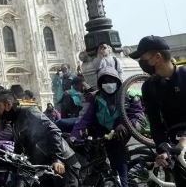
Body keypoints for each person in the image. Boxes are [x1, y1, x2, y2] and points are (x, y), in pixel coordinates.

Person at [0, 91, 80, 187]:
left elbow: (54, 131)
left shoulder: (29, 112)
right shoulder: (14, 124)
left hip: (64, 165)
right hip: (45, 168)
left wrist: (57, 159)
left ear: (8, 104)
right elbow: (17, 156)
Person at [71, 66, 144, 187]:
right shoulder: (94, 97)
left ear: (118, 81)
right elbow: (83, 118)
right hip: (101, 131)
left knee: (118, 161)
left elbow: (138, 116)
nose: (108, 84)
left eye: (111, 80)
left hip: (121, 134)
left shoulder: (129, 95)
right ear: (100, 84)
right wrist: (74, 136)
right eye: (104, 81)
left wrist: (126, 126)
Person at [129, 35, 186, 186]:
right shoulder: (149, 87)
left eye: (143, 58)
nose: (141, 62)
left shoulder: (184, 75)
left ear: (158, 57)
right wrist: (163, 149)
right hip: (176, 149)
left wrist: (185, 138)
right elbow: (155, 123)